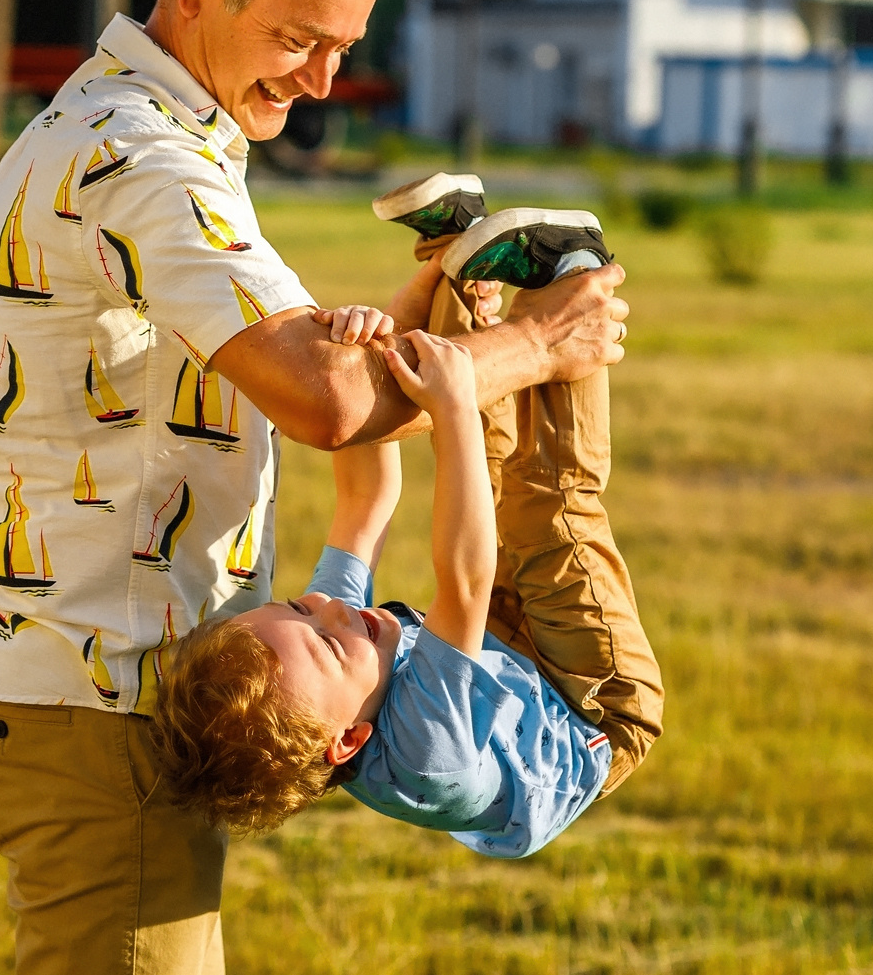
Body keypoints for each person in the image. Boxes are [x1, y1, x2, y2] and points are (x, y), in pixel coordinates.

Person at [0, 0, 629, 975]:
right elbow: (326, 403)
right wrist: (535, 351)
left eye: (343, 46)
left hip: (118, 698)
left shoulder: (161, 144)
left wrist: (436, 327)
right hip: (97, 716)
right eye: (299, 35)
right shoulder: (140, 154)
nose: (319, 77)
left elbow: (324, 371)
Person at [146, 195, 664, 856]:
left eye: (300, 605)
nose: (333, 607)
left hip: (504, 666)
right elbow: (464, 581)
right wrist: (449, 407)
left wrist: (374, 337)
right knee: (544, 505)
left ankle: (463, 267)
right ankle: (574, 272)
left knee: (486, 456)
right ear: (350, 742)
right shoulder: (425, 753)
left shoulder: (329, 668)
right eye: (327, 639)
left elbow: (366, 498)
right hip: (590, 706)